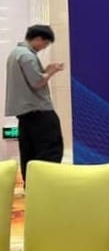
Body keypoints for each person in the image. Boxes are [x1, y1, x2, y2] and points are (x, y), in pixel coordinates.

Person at [5, 24, 65, 180]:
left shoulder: (15, 54)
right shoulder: (27, 56)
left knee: (29, 153)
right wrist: (51, 71)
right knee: (49, 151)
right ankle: (47, 185)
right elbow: (37, 82)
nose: (44, 47)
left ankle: (32, 186)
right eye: (45, 44)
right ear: (38, 39)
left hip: (25, 115)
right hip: (39, 112)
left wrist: (45, 71)